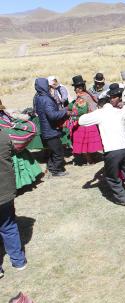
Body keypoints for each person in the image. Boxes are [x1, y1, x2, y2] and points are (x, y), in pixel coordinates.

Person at [78, 83, 125, 206]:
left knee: (112, 176)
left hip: (112, 150)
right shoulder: (119, 112)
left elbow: (81, 121)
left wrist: (90, 183)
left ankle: (121, 199)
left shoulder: (100, 113)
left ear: (100, 106)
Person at [0, 126, 27, 279]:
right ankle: (18, 261)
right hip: (5, 190)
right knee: (9, 226)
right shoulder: (4, 135)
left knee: (8, 226)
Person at [33, 78, 70, 176]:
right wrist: (65, 112)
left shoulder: (38, 97)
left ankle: (51, 168)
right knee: (58, 152)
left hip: (46, 129)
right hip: (51, 130)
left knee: (53, 151)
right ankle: (56, 171)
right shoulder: (46, 99)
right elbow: (52, 115)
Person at [0, 101, 42, 189]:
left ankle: (23, 182)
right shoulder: (3, 113)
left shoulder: (3, 113)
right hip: (7, 144)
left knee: (18, 162)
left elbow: (8, 122)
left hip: (10, 143)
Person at [67, 75, 103, 165]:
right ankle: (91, 158)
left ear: (79, 88)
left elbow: (81, 111)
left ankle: (89, 160)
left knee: (83, 144)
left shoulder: (82, 98)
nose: (75, 90)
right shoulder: (86, 95)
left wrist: (69, 113)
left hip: (84, 123)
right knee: (87, 144)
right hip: (90, 121)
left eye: (75, 88)